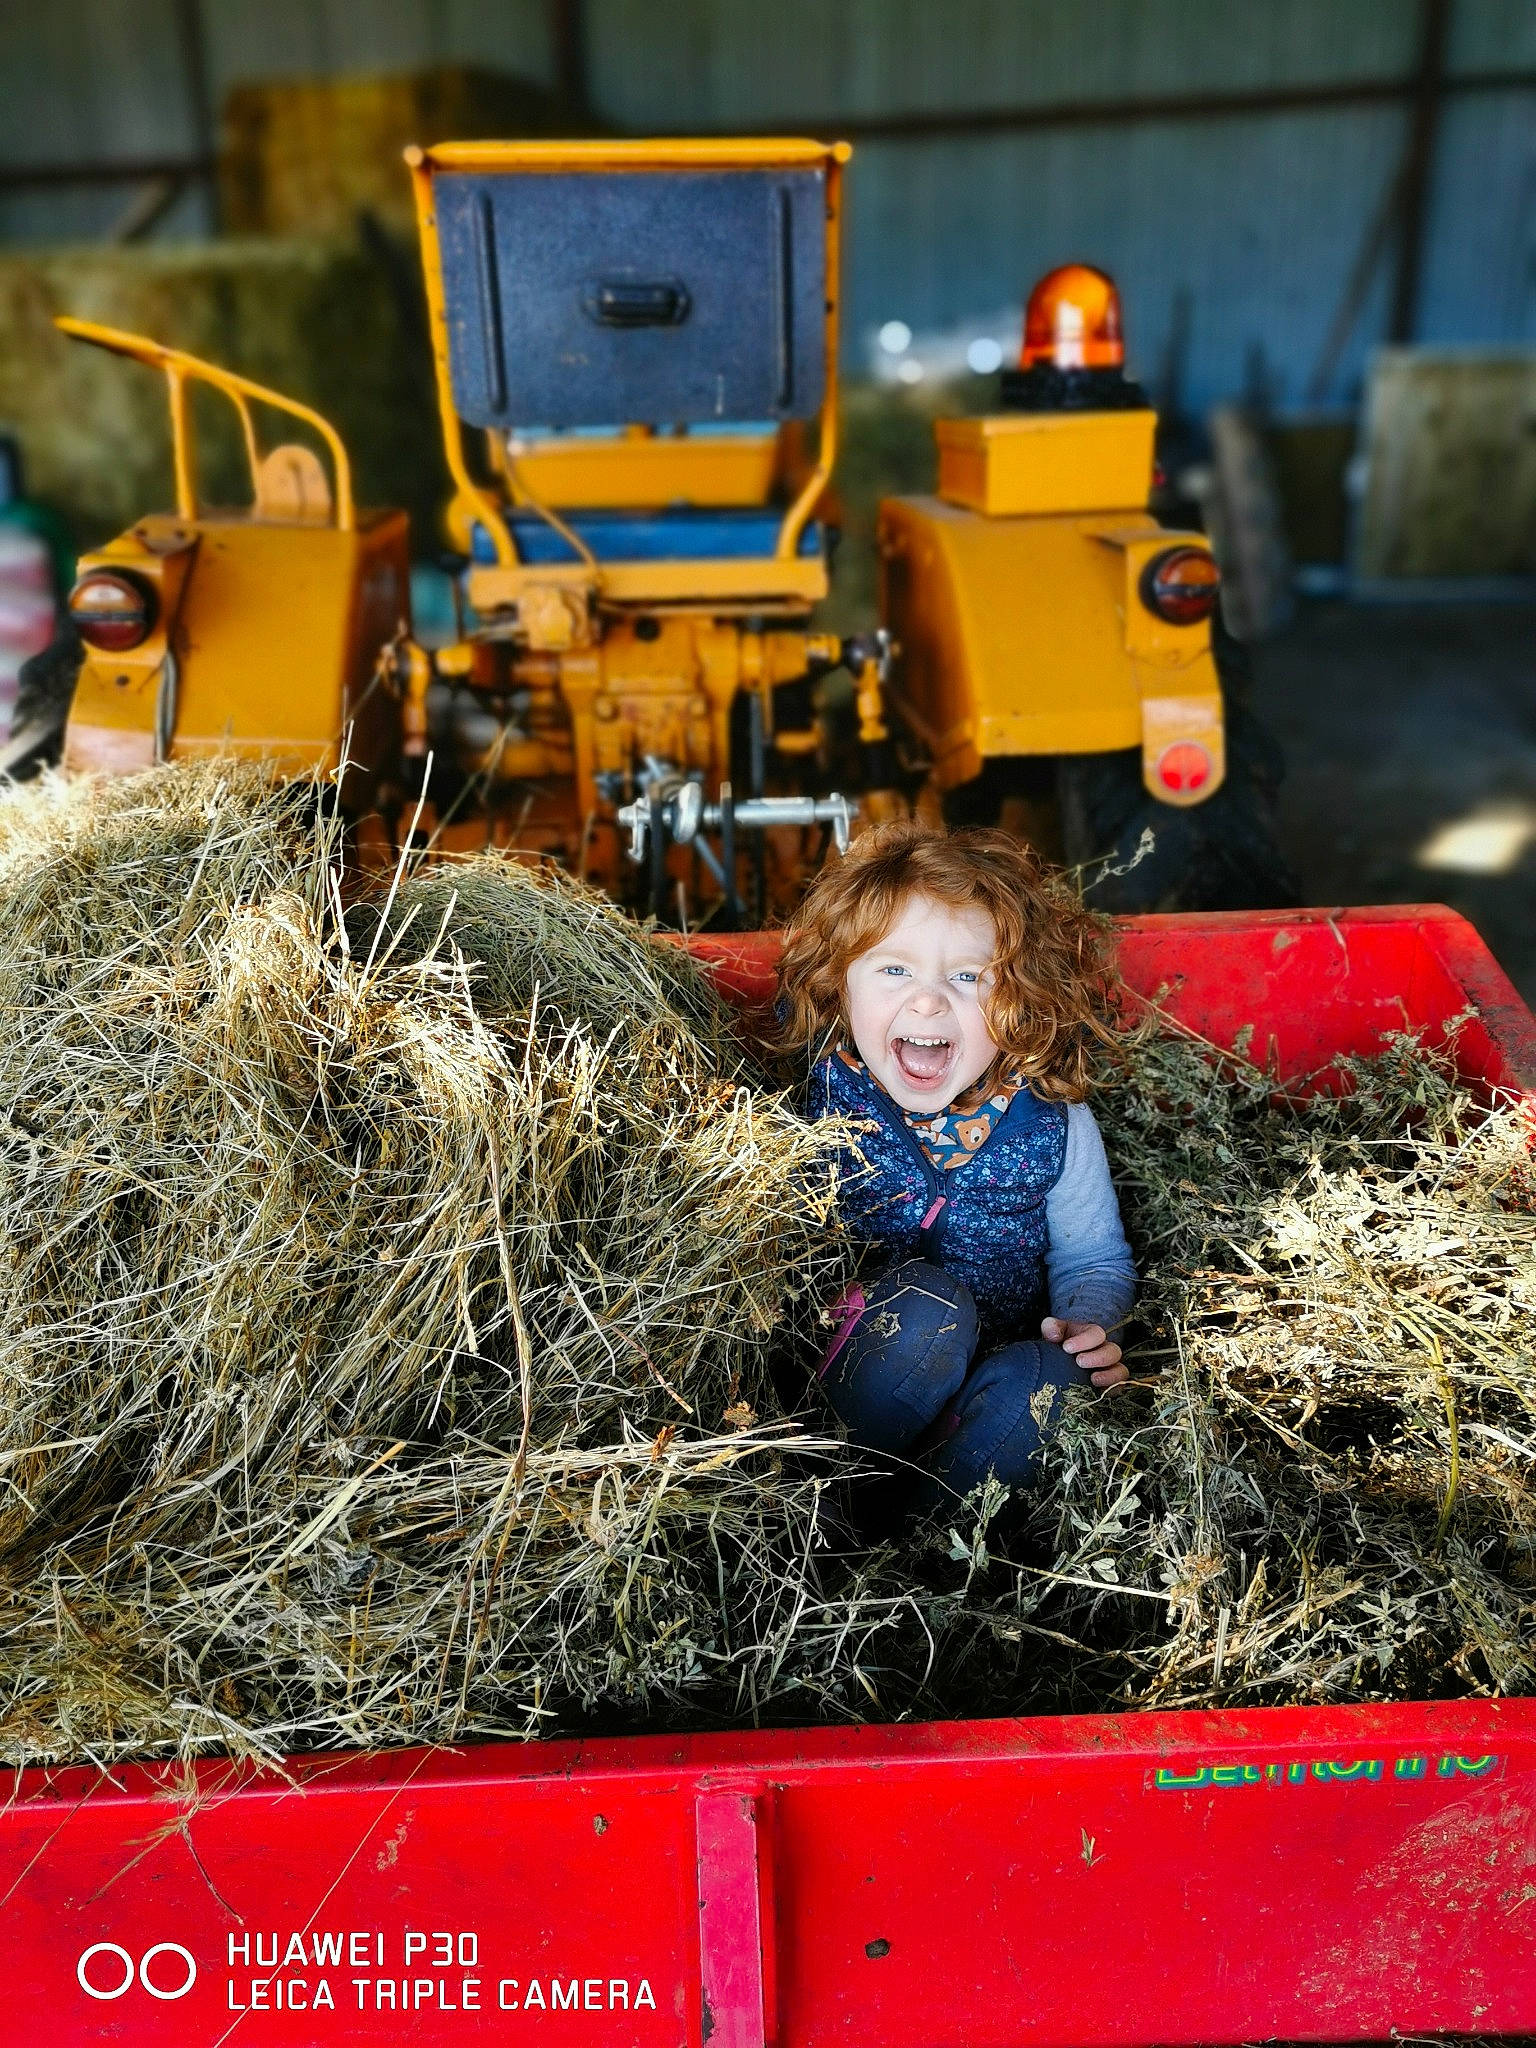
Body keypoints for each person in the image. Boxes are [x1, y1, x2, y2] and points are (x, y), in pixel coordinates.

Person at [775, 819, 1135, 1514]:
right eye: (893, 969)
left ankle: (933, 1556)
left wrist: (1091, 1325)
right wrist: (805, 1296)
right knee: (923, 1316)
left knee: (1050, 1381)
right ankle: (826, 1512)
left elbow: (1095, 1259)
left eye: (969, 975)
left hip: (986, 1384)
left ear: (1020, 997)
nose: (930, 998)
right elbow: (770, 1241)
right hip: (860, 1378)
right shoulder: (816, 1102)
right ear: (839, 988)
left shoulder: (1051, 1119)